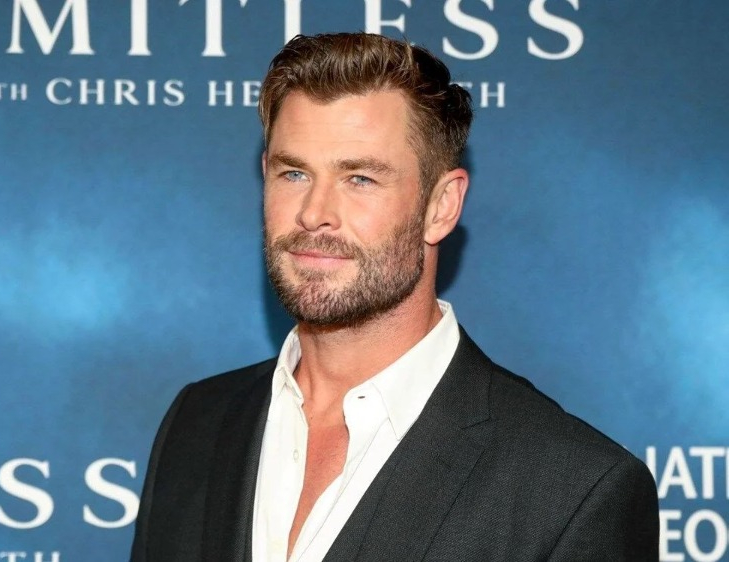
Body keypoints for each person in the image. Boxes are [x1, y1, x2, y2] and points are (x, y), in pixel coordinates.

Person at [130, 32, 659, 561]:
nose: (313, 213)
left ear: (442, 205)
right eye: (293, 173)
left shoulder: (574, 492)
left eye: (360, 178)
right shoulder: (196, 423)